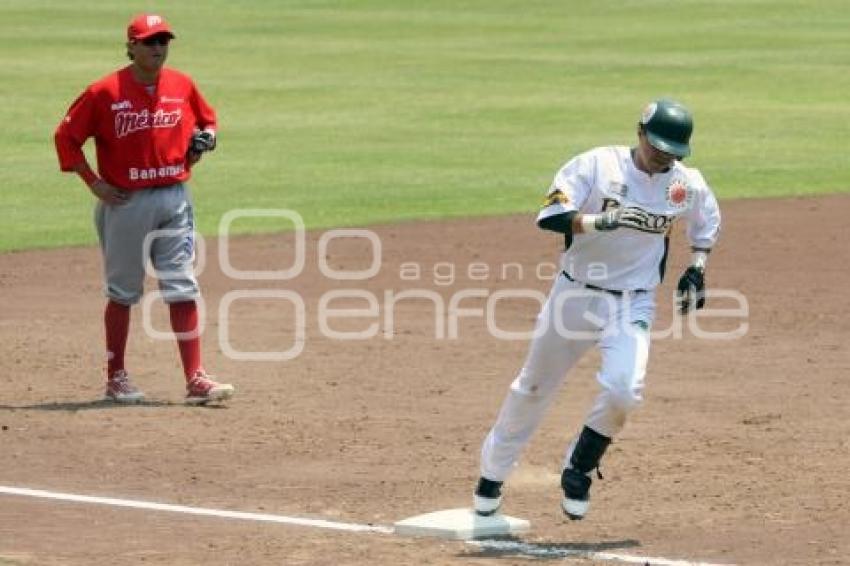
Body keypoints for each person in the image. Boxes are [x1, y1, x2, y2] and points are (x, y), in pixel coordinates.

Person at [472, 99, 721, 519]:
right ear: (640, 133)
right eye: (657, 146)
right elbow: (550, 215)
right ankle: (492, 475)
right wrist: (596, 222)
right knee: (533, 387)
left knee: (625, 390)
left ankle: (579, 468)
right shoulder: (596, 165)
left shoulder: (686, 183)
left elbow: (706, 225)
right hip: (574, 295)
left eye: (673, 151)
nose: (664, 156)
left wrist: (697, 267)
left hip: (633, 301)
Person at [54, 13, 233, 405]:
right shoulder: (104, 91)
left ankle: (195, 379)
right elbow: (66, 137)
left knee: (183, 286)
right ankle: (116, 377)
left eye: (163, 41)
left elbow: (208, 121)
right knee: (123, 293)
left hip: (174, 196)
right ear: (131, 46)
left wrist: (206, 139)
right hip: (126, 202)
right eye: (150, 42)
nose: (158, 48)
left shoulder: (181, 84)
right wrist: (94, 182)